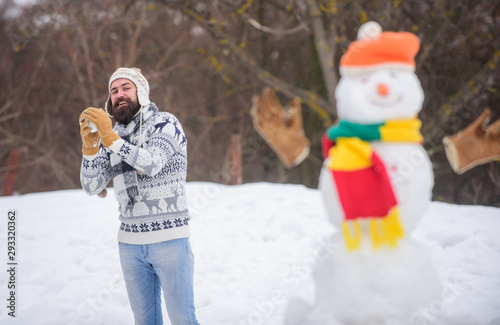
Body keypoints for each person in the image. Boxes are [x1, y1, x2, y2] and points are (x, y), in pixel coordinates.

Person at [79, 67, 199, 325]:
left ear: (141, 92)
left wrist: (109, 137)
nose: (119, 95)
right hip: (130, 245)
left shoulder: (165, 123)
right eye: (114, 91)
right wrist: (90, 148)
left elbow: (152, 163)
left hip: (170, 240)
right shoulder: (113, 137)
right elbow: (91, 186)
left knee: (183, 320)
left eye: (126, 88)